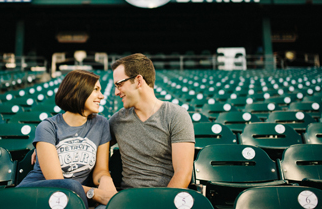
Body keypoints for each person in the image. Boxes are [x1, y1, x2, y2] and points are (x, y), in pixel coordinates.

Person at [18, 70, 116, 208]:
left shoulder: (101, 124)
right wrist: (96, 194)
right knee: (72, 186)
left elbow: (101, 170)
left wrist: (107, 184)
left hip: (76, 198)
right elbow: (58, 182)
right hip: (40, 195)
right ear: (78, 91)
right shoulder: (47, 127)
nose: (101, 96)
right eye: (95, 90)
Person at [110, 53, 195, 189]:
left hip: (165, 198)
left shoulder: (176, 115)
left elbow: (183, 174)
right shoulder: (117, 120)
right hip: (129, 199)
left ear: (138, 81)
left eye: (119, 85)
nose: (116, 92)